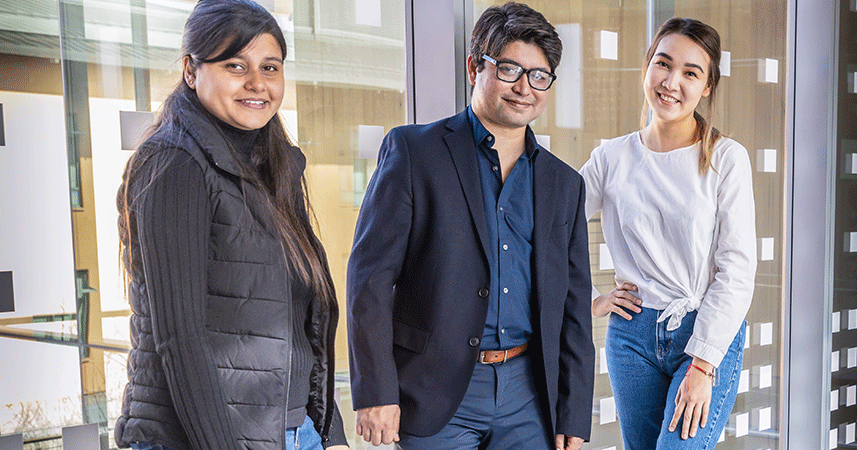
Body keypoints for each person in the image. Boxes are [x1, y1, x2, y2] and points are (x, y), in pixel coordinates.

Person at [346, 3, 594, 450]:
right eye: (510, 69)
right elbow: (371, 279)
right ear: (474, 67)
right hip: (434, 388)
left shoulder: (564, 184)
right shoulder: (413, 152)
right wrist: (375, 391)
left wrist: (573, 412)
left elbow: (573, 308)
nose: (524, 88)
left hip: (528, 394)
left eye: (539, 76)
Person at [114, 1, 348, 449]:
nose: (257, 83)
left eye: (270, 66)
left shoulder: (275, 168)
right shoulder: (174, 164)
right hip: (203, 439)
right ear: (190, 69)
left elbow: (302, 326)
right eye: (235, 65)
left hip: (294, 433)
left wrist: (329, 431)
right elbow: (180, 338)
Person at [579, 17, 757, 450]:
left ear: (707, 86)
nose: (671, 81)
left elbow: (736, 268)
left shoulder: (726, 158)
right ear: (647, 67)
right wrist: (589, 300)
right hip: (631, 335)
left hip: (704, 332)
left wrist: (702, 364)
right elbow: (549, 230)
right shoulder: (611, 158)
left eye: (691, 72)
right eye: (663, 64)